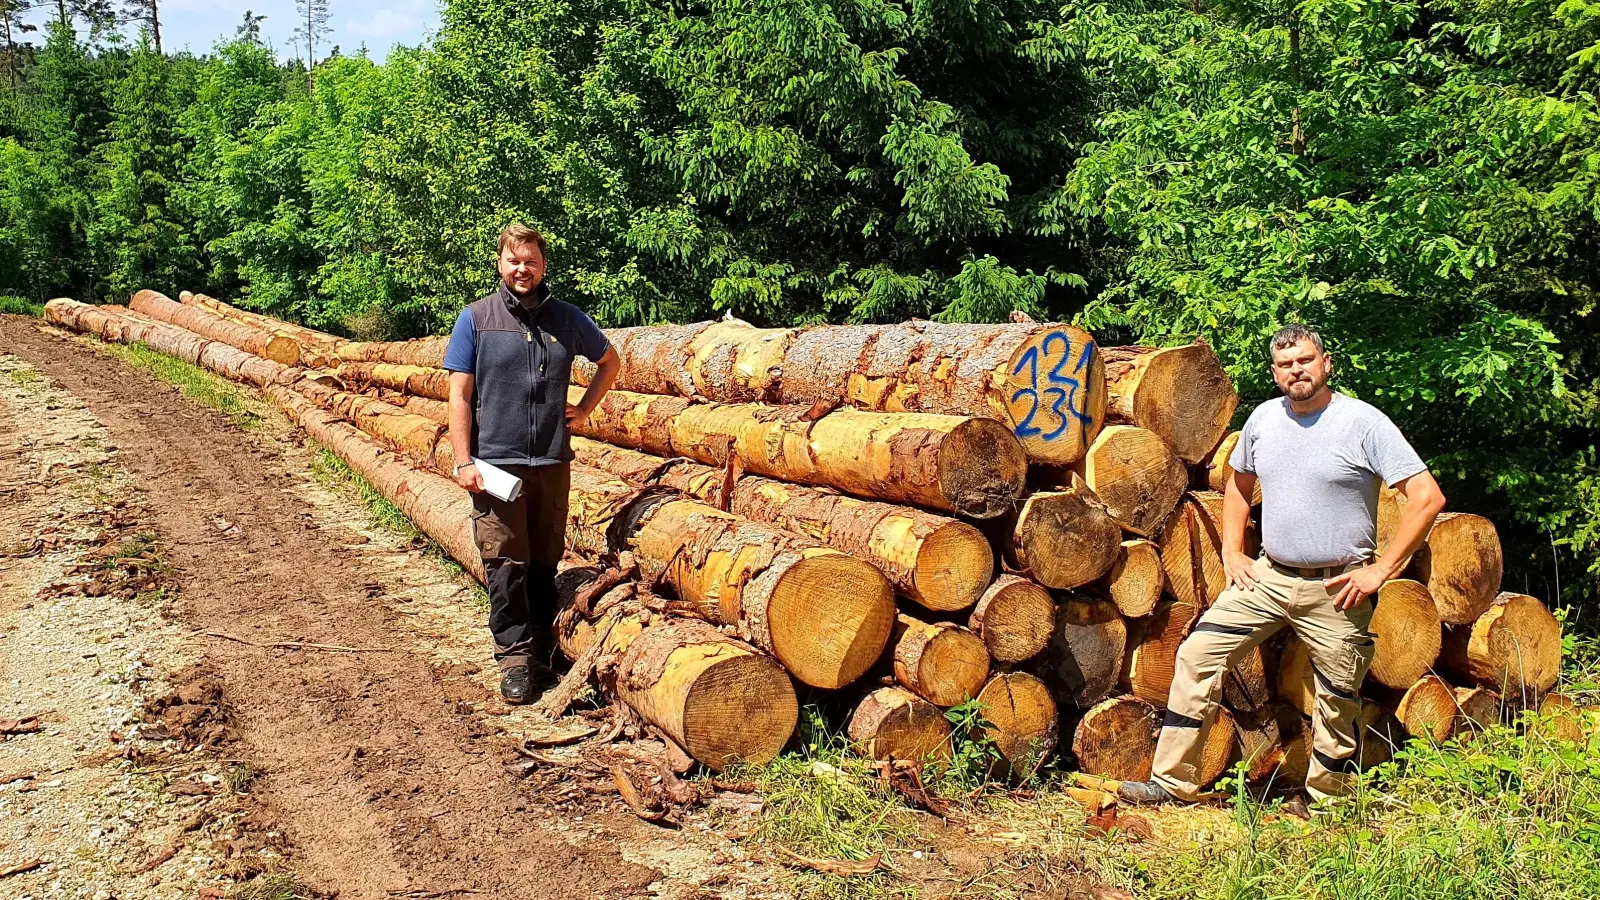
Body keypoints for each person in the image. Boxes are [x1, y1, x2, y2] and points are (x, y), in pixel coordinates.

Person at [1117, 324, 1446, 809]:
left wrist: (1380, 571)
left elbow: (1427, 497)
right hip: (1269, 576)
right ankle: (1172, 782)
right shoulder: (1265, 420)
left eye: (1306, 360)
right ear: (1275, 373)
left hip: (1337, 587)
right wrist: (1232, 550)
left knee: (1337, 694)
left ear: (1326, 363)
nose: (1298, 370)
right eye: (1287, 364)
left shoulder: (1363, 423)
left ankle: (1328, 802)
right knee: (1197, 654)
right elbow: (1237, 484)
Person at [441, 223, 621, 704]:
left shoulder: (566, 319)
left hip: (551, 461)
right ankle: (515, 659)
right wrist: (463, 462)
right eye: (514, 260)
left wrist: (583, 410)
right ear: (501, 263)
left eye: (532, 261)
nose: (523, 269)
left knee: (544, 561)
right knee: (505, 563)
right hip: (496, 465)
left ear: (543, 266)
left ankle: (542, 649)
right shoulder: (476, 319)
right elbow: (459, 394)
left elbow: (610, 361)